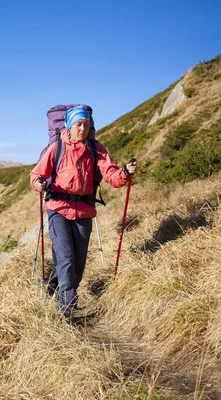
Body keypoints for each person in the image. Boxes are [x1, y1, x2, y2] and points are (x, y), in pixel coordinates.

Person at [30, 106, 137, 317]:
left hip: (84, 212)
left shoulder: (96, 149)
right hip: (58, 210)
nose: (83, 129)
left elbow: (112, 176)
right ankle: (67, 311)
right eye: (79, 124)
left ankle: (61, 289)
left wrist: (124, 173)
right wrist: (38, 183)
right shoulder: (57, 148)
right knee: (66, 258)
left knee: (78, 264)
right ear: (69, 126)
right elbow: (36, 173)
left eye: (86, 124)